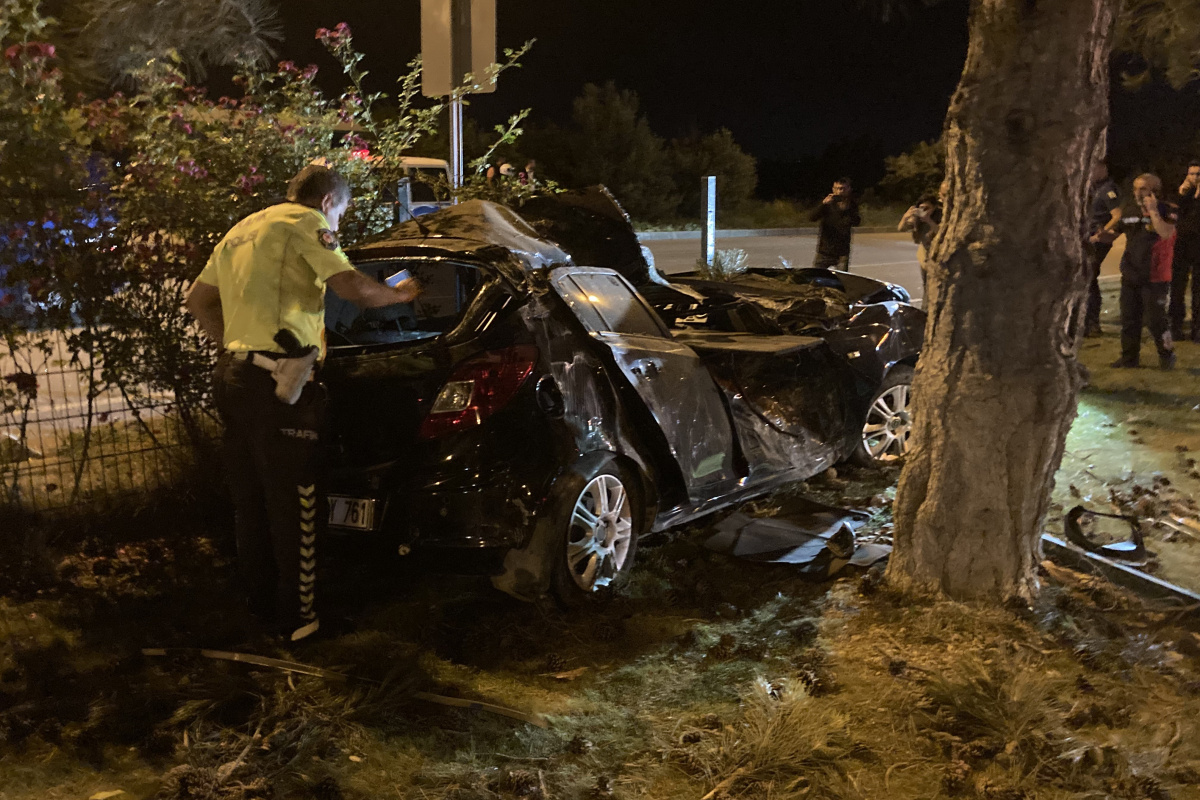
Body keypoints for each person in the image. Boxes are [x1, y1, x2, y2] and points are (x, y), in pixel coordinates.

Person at [185, 165, 420, 642]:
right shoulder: (306, 225)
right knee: (296, 505)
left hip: (233, 378)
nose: (338, 226)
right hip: (282, 383)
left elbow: (197, 300)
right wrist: (398, 295)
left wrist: (233, 347)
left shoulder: (242, 228)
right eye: (342, 215)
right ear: (329, 200)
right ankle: (302, 622)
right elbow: (350, 287)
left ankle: (260, 609)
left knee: (249, 503)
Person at [1098, 173, 1178, 370]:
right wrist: (1102, 235)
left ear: (1154, 190)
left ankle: (1166, 355)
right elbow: (1115, 234)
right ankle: (1129, 359)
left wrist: (1152, 211)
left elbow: (1166, 233)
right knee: (1129, 319)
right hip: (1131, 272)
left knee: (1156, 321)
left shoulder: (1167, 209)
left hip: (1155, 275)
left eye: (1142, 188)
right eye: (1135, 188)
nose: (1137, 193)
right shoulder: (1129, 209)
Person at [1084, 161, 1122, 337]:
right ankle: (1086, 322)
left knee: (1090, 278)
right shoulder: (1092, 188)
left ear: (1103, 169)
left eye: (1094, 168)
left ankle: (1092, 323)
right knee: (1086, 278)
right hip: (1088, 238)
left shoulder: (1107, 189)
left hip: (1098, 240)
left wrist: (1103, 232)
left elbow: (1117, 215)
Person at [1168, 161, 1200, 341]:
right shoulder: (1180, 194)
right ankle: (1176, 326)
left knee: (1198, 288)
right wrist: (1182, 194)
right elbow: (1173, 214)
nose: (1195, 178)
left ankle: (1197, 327)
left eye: (1198, 174)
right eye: (1192, 174)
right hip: (1181, 246)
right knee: (1177, 287)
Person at [810, 177, 861, 271]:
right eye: (837, 188)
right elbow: (812, 218)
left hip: (842, 252)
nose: (840, 191)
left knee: (842, 280)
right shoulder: (828, 203)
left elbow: (856, 222)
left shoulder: (852, 205)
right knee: (816, 278)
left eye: (843, 188)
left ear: (849, 189)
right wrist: (823, 204)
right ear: (833, 189)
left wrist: (847, 210)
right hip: (825, 250)